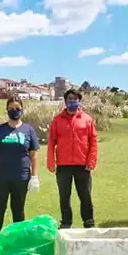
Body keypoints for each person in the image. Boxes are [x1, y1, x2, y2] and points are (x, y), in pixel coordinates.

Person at [0, 97, 40, 242]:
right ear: (7, 110)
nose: (14, 111)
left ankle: (18, 240)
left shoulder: (28, 130)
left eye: (17, 108)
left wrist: (34, 176)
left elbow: (33, 154)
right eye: (11, 108)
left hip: (21, 177)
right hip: (1, 177)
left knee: (18, 210)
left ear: (22, 110)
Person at [47, 89, 98, 229]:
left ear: (79, 101)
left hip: (83, 165)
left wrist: (91, 161)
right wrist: (51, 162)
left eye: (75, 99)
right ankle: (66, 222)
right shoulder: (58, 120)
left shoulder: (87, 119)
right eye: (69, 99)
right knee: (64, 196)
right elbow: (51, 142)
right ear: (65, 101)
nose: (72, 101)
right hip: (63, 165)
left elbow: (93, 141)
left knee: (85, 195)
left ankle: (89, 222)